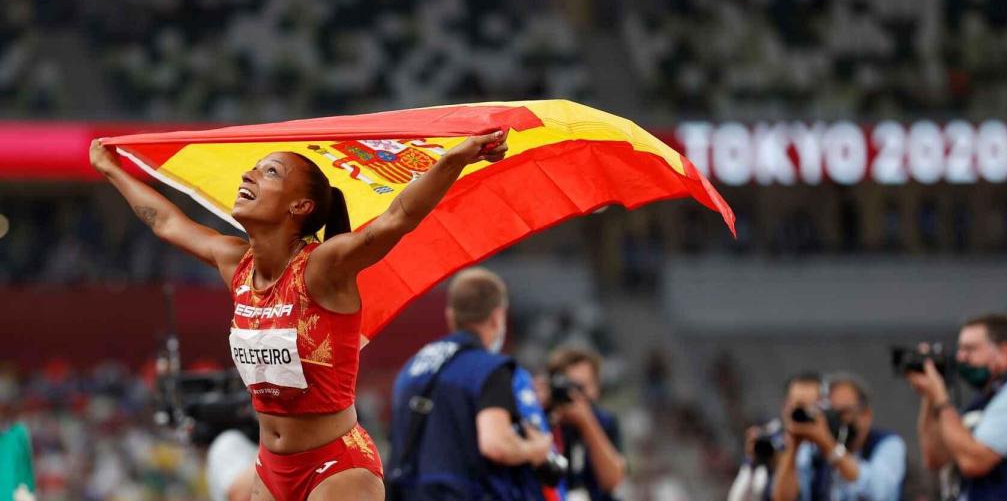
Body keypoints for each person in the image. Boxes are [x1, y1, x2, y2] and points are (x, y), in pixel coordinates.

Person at [89, 130, 509, 501]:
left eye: (269, 172)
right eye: (253, 169)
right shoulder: (234, 262)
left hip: (337, 469)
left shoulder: (324, 268)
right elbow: (165, 221)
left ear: (301, 206)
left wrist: (456, 157)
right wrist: (111, 169)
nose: (248, 176)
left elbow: (398, 219)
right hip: (271, 470)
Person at [387, 267, 554, 500]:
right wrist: (535, 450)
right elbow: (496, 444)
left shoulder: (412, 367)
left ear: (451, 316)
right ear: (497, 316)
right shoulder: (490, 369)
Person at [906, 312, 1007, 500]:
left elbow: (972, 461)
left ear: (1004, 352)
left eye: (970, 349)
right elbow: (935, 457)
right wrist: (930, 394)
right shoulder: (985, 401)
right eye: (960, 349)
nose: (961, 358)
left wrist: (941, 398)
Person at [773, 372, 905, 501]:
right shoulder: (813, 451)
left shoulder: (887, 444)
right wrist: (794, 446)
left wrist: (829, 446)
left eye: (844, 412)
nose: (837, 420)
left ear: (866, 415)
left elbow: (880, 492)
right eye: (831, 412)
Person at [543, 347, 627, 501]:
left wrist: (586, 423)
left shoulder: (605, 422)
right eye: (569, 386)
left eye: (582, 387)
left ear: (596, 388)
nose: (576, 395)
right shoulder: (543, 421)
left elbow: (612, 481)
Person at [727, 371, 822, 501]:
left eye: (811, 407)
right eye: (798, 407)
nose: (803, 415)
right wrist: (751, 463)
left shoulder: (829, 448)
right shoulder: (772, 441)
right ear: (785, 407)